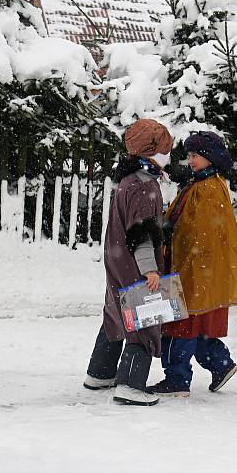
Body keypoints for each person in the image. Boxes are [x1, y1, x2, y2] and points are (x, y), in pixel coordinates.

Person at [147, 131, 237, 397]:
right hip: (197, 267)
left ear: (210, 157)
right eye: (189, 156)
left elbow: (198, 231)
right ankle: (220, 364)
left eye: (196, 156)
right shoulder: (201, 182)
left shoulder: (208, 188)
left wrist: (170, 232)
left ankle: (177, 379)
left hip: (194, 267)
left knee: (180, 325)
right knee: (195, 324)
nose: (190, 161)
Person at [83, 118, 173, 406]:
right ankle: (131, 386)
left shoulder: (127, 180)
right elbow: (141, 234)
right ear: (151, 152)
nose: (168, 155)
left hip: (117, 257)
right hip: (135, 262)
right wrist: (150, 270)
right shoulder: (144, 186)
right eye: (164, 149)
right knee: (143, 317)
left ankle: (100, 372)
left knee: (115, 312)